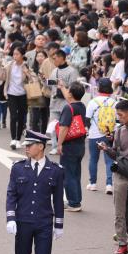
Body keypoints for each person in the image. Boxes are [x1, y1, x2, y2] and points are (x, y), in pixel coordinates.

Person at [5, 130, 64, 254]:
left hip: (44, 222)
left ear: (40, 147)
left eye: (29, 145)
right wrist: (11, 218)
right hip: (23, 222)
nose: (26, 148)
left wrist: (59, 224)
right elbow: (11, 194)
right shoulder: (18, 168)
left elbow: (58, 199)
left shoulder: (55, 170)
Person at [99, 100, 128, 254]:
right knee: (119, 213)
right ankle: (122, 244)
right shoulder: (118, 131)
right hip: (120, 175)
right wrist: (106, 149)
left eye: (121, 114)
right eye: (118, 114)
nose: (119, 117)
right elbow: (117, 154)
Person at [55, 82, 88, 212]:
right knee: (75, 174)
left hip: (69, 145)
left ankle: (74, 203)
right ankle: (75, 200)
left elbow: (64, 128)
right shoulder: (82, 106)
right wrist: (63, 87)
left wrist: (59, 144)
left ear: (71, 93)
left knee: (68, 174)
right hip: (80, 144)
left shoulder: (68, 108)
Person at [85, 78, 116, 195]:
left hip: (94, 135)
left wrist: (89, 129)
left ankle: (93, 184)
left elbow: (87, 119)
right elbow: (117, 120)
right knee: (109, 161)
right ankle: (109, 185)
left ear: (99, 88)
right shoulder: (114, 102)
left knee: (93, 159)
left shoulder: (93, 102)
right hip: (109, 135)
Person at [0, 45, 32, 149]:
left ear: (22, 55)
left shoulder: (26, 66)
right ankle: (13, 139)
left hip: (23, 94)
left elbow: (32, 80)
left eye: (17, 54)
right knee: (13, 116)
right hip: (11, 93)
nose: (15, 56)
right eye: (14, 54)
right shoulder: (9, 65)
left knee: (21, 117)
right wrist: (0, 64)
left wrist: (28, 73)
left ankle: (18, 139)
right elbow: (0, 76)